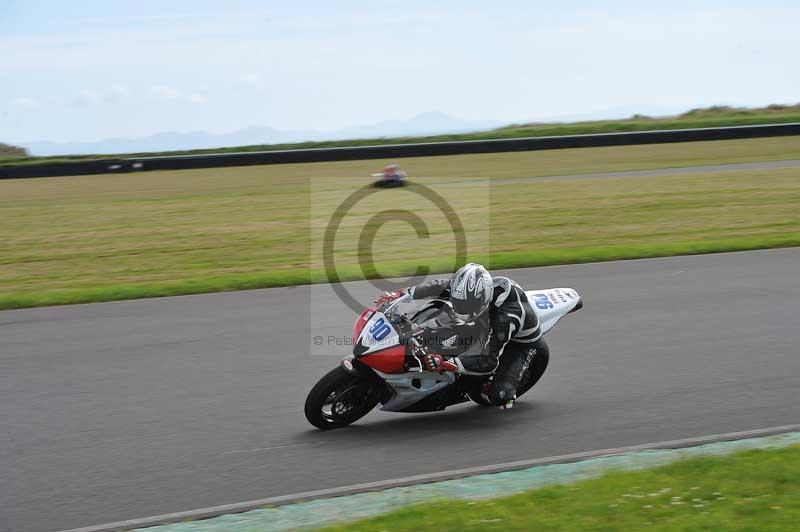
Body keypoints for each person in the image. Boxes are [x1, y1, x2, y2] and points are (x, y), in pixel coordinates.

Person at [376, 263, 541, 408]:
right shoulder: (471, 291)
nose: (461, 308)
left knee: (499, 397)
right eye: (459, 302)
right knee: (440, 323)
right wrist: (401, 294)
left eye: (467, 305)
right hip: (485, 320)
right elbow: (438, 286)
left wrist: (446, 363)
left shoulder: (505, 319)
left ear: (483, 298)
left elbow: (488, 361)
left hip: (520, 344)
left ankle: (501, 388)